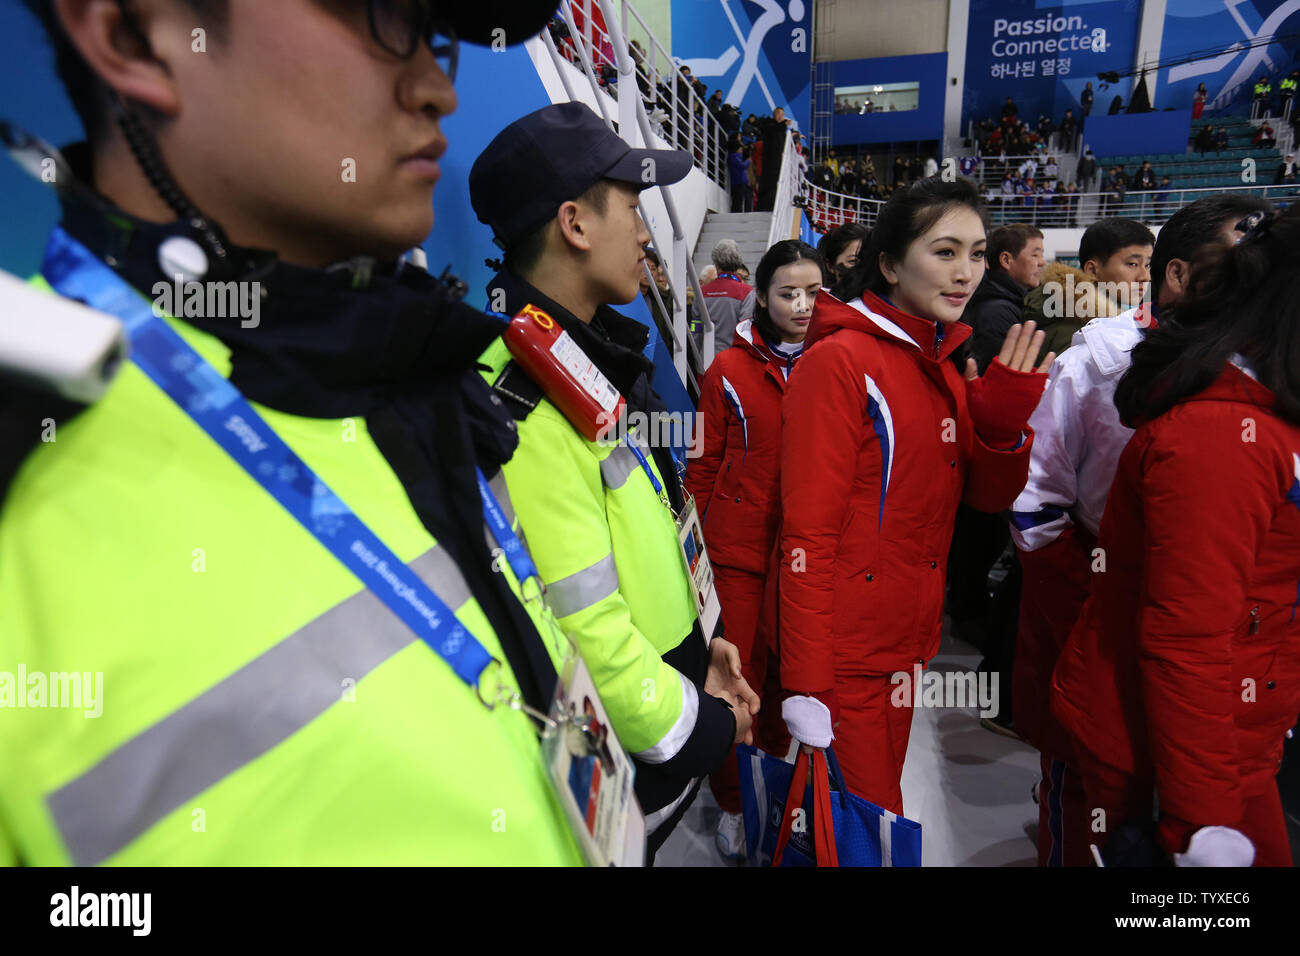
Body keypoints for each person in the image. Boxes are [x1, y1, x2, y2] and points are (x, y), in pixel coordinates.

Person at [0, 0, 591, 866]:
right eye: (384, 16)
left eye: (437, 38)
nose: (437, 89)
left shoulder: (409, 366)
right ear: (132, 35)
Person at [468, 103, 758, 859]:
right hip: (633, 758)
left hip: (669, 706)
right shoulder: (520, 402)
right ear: (574, 222)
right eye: (631, 207)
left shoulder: (587, 358)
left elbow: (646, 530)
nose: (643, 231)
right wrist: (705, 723)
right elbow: (583, 631)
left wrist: (706, 641)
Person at [776, 178, 1051, 816]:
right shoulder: (839, 362)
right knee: (866, 827)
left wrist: (1004, 427)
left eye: (979, 254)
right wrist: (809, 680)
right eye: (946, 252)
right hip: (849, 652)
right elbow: (807, 534)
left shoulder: (941, 363)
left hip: (908, 643)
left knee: (868, 820)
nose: (966, 274)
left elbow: (983, 501)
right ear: (891, 263)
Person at [1012, 194, 1270, 867]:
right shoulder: (1096, 358)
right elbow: (1035, 505)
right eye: (1240, 267)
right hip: (1104, 612)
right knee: (1096, 800)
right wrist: (1096, 600)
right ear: (1178, 275)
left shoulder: (1267, 372)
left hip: (1226, 644)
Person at [687, 240, 823, 861]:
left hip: (807, 557)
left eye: (813, 292)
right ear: (760, 296)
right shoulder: (728, 373)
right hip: (736, 555)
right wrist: (689, 557)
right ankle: (738, 802)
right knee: (737, 682)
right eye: (786, 293)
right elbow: (702, 466)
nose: (800, 304)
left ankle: (771, 787)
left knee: (787, 678)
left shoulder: (838, 364)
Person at [1022, 217, 1153, 364]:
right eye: (1132, 264)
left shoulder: (1120, 319)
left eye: (1148, 265)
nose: (1145, 277)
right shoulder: (1080, 334)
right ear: (1092, 270)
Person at [967, 226, 1045, 374]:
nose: (1042, 262)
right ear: (1006, 260)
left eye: (1042, 255)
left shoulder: (1008, 301)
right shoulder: (996, 312)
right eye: (1035, 255)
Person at [698, 239, 756, 359]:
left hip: (706, 361)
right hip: (734, 362)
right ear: (738, 262)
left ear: (715, 264)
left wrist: (698, 352)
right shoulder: (747, 292)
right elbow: (745, 331)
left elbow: (696, 326)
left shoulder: (701, 293)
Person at [728, 136, 752, 212]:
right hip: (738, 181)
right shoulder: (733, 157)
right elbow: (742, 166)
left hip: (740, 181)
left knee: (742, 199)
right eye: (740, 148)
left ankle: (742, 211)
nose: (741, 150)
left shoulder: (736, 156)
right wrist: (748, 161)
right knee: (738, 199)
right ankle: (738, 211)